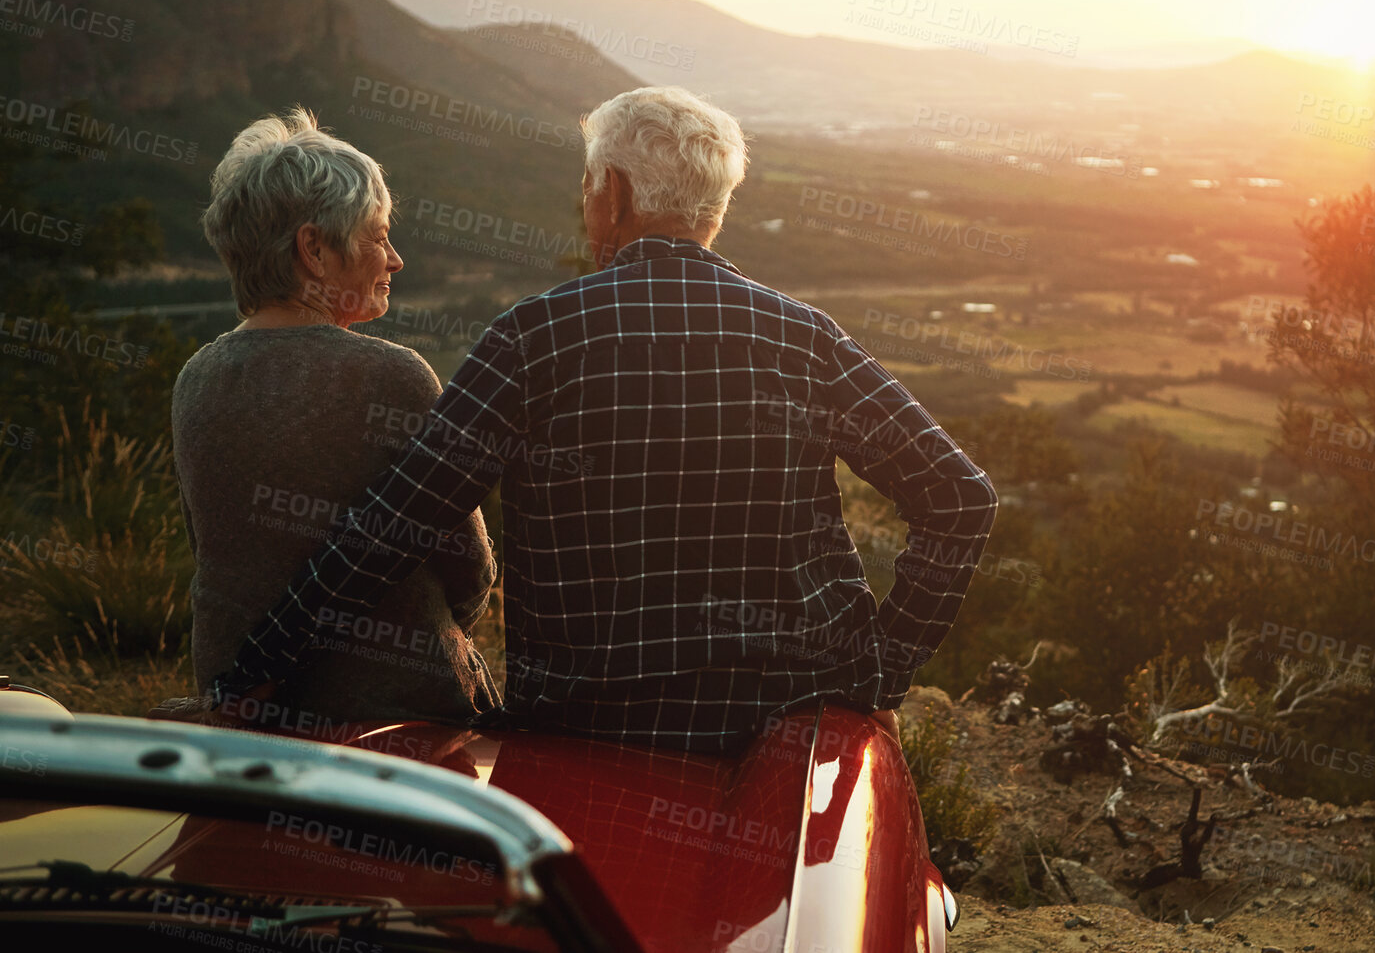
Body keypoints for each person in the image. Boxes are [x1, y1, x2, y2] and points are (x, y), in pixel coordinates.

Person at [209, 87, 997, 754]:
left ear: (613, 194)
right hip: (790, 725)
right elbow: (961, 498)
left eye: (588, 185)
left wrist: (249, 678)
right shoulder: (806, 338)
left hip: (586, 733)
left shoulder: (532, 339)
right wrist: (879, 672)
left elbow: (393, 528)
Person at [173, 108, 499, 724]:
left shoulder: (197, 377)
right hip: (398, 723)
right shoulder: (392, 375)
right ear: (314, 250)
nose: (395, 259)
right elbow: (470, 568)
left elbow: (217, 551)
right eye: (378, 236)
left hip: (247, 723)